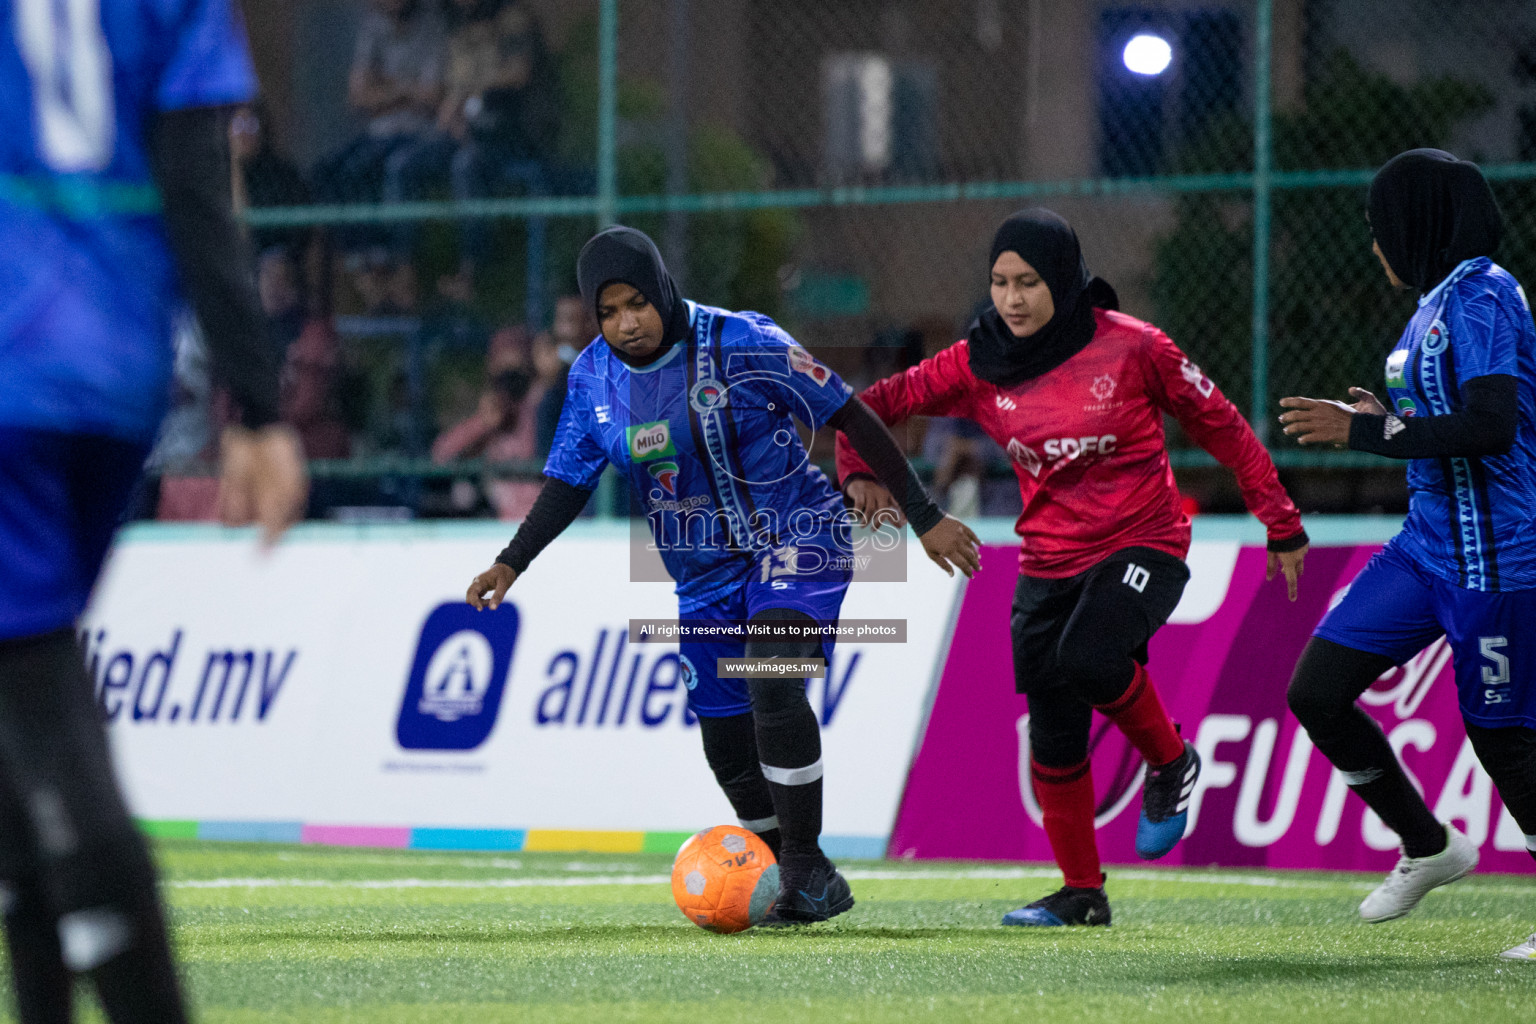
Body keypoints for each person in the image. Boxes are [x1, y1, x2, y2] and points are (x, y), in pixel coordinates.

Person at [466, 226, 979, 923]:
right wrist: (511, 561)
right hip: (700, 573)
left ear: (662, 289)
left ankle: (804, 861)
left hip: (796, 539)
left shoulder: (741, 342)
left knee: (773, 675)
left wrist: (923, 516)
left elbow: (848, 412)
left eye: (636, 303)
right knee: (725, 741)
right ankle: (783, 873)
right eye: (608, 311)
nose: (626, 323)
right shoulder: (593, 376)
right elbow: (567, 480)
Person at [836, 208, 1308, 928]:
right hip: (1047, 561)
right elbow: (870, 408)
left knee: (1089, 655)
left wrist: (1279, 518)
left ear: (1063, 279)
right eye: (999, 283)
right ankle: (1083, 894)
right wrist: (860, 477)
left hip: (1143, 542)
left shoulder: (1136, 348)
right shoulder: (975, 361)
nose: (1013, 300)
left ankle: (1173, 762)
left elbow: (1224, 426)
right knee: (1053, 730)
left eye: (1028, 282)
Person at [0, 1, 308, 1021]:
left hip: (10, 354)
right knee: (18, 691)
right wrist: (254, 403)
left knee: (39, 704)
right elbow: (198, 183)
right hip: (119, 369)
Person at [1278, 149, 1536, 960]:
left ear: (1419, 221)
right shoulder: (1434, 302)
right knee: (1317, 691)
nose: (1376, 241)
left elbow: (1493, 424)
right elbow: (1441, 420)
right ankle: (1429, 845)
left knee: (1502, 736)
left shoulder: (1485, 293)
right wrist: (1384, 413)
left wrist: (1364, 430)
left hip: (1495, 551)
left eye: (1380, 224)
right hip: (1427, 544)